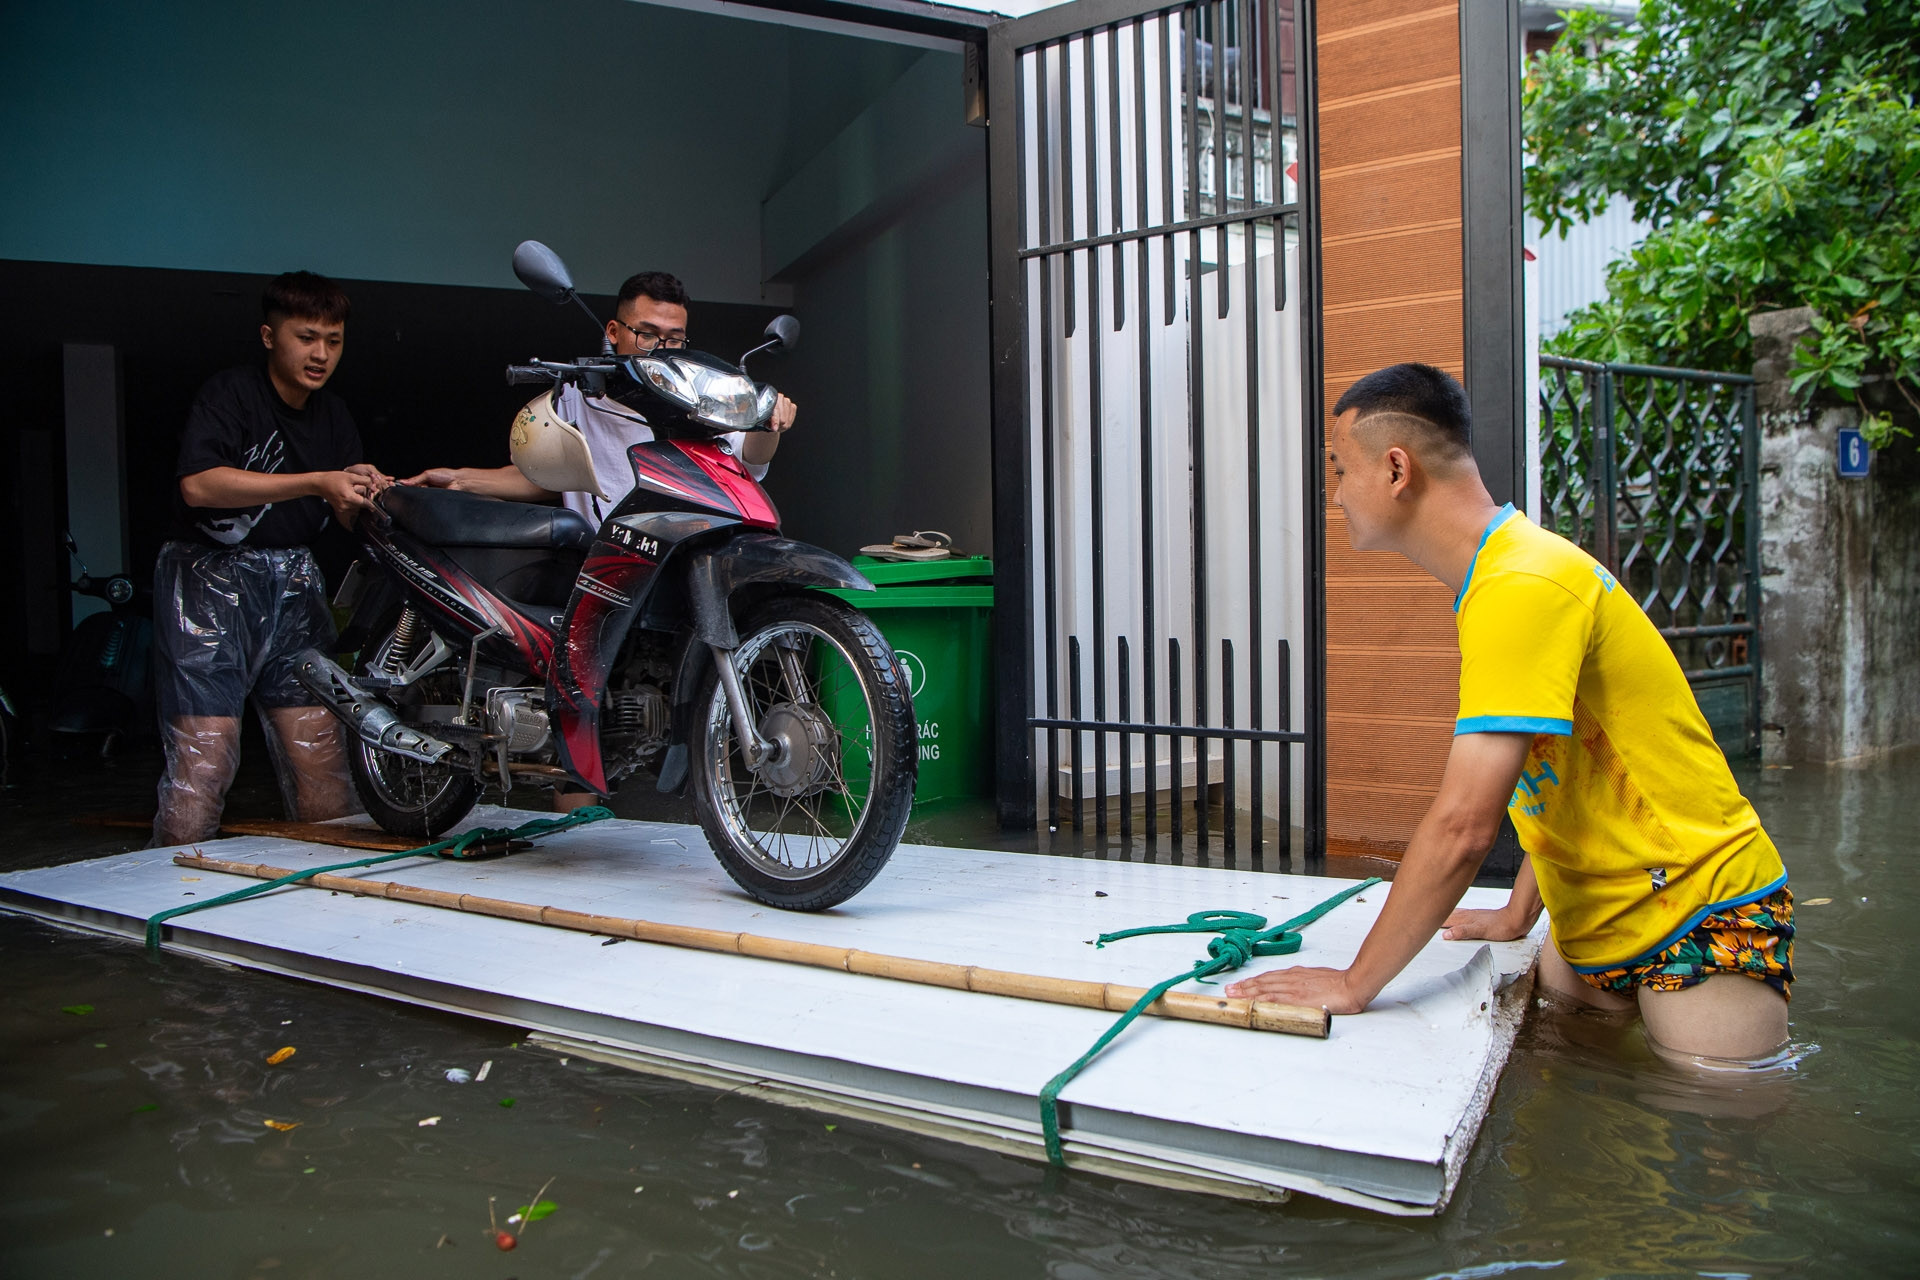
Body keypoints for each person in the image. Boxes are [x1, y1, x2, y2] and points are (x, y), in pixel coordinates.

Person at [1225, 363, 1793, 1062]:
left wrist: (1354, 982)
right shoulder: (1502, 576)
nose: (1336, 494)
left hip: (1698, 910)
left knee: (1722, 1112)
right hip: (1594, 922)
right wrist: (1518, 912)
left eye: (1341, 470)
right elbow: (1558, 767)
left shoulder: (1522, 583)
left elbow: (1465, 825)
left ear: (1397, 469)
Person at [152, 271, 392, 847]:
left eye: (333, 341)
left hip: (293, 585)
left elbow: (342, 513)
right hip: (205, 583)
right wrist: (316, 480)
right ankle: (176, 886)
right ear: (269, 336)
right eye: (306, 337)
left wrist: (365, 490)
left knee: (321, 753)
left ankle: (329, 887)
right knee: (205, 758)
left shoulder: (333, 414)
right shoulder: (231, 394)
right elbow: (198, 486)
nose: (320, 354)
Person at [403, 270, 797, 519]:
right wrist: (460, 480)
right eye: (646, 334)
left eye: (674, 338)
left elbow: (750, 457)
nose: (660, 349)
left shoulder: (701, 394)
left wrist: (768, 420)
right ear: (613, 332)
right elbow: (545, 477)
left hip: (690, 553)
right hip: (608, 566)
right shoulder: (575, 397)